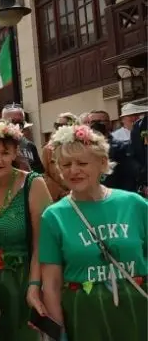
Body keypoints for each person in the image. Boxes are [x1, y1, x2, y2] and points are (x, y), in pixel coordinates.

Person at [40, 124, 147, 340]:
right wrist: (58, 332)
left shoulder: (134, 204)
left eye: (82, 163)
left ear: (103, 163)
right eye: (66, 164)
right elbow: (51, 284)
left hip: (137, 309)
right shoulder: (54, 216)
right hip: (84, 315)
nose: (73, 170)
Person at [0, 120, 52, 341]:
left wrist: (34, 286)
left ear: (16, 152)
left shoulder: (33, 184)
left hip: (23, 281)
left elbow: (43, 243)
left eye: (5, 153)